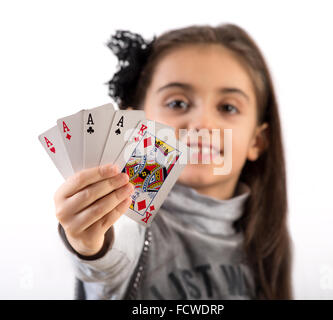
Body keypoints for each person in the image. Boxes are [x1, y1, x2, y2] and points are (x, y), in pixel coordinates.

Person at [54, 24, 293, 299]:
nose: (202, 124)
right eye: (177, 103)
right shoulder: (129, 223)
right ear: (136, 123)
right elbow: (108, 255)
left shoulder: (268, 244)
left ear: (257, 141)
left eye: (228, 107)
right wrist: (90, 239)